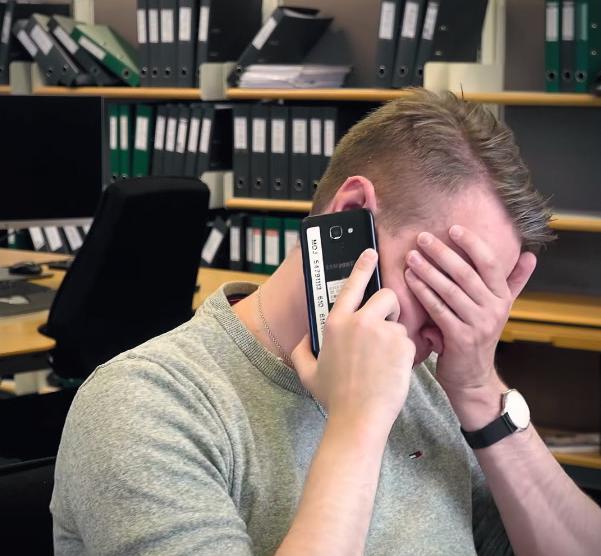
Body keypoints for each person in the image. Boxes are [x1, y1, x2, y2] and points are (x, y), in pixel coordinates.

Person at [51, 89, 601, 555]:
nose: (454, 331)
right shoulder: (144, 405)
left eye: (477, 301)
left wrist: (480, 393)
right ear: (349, 217)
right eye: (445, 286)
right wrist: (358, 424)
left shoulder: (432, 379)